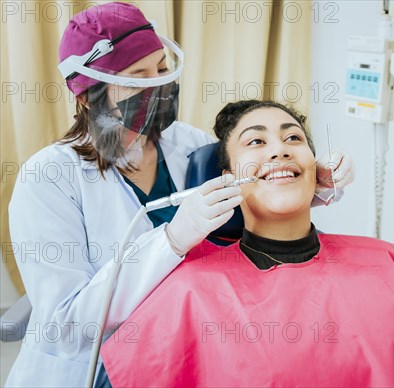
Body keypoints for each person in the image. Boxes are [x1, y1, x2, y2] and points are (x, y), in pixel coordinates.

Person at [5, 3, 354, 387]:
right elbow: (67, 326)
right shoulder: (49, 179)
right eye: (138, 77)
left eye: (160, 67)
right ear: (90, 97)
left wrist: (312, 181)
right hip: (93, 368)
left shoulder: (189, 145)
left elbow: (251, 197)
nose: (158, 84)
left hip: (183, 351)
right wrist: (170, 240)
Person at [99, 100, 394, 387]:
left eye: (293, 138)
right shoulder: (188, 291)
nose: (279, 147)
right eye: (255, 142)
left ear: (316, 167)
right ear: (225, 177)